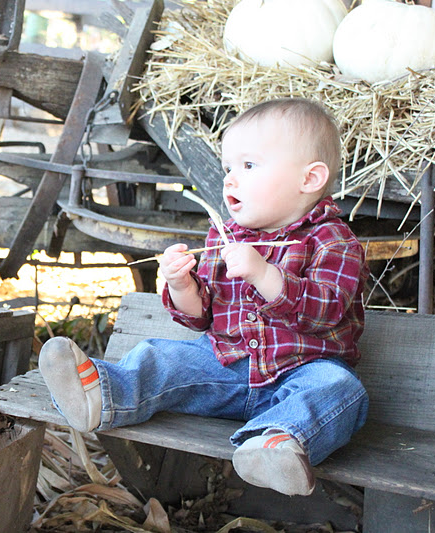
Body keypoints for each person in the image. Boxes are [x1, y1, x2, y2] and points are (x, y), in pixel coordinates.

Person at [39, 97, 370, 497]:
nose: (230, 179)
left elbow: (328, 311)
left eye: (248, 166)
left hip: (300, 373)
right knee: (163, 356)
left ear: (310, 179)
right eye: (228, 167)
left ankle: (277, 443)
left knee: (341, 391)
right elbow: (202, 316)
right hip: (225, 371)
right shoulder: (225, 236)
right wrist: (183, 287)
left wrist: (266, 275)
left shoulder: (334, 240)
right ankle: (101, 394)